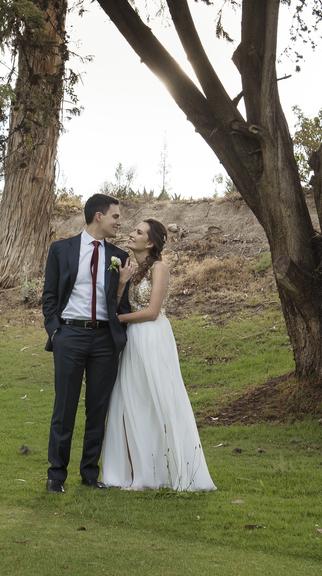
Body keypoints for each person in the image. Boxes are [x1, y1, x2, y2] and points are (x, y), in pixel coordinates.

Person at [100, 218, 216, 491]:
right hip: (133, 339)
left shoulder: (159, 268)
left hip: (152, 337)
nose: (131, 234)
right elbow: (121, 304)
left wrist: (115, 320)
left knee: (158, 398)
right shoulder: (132, 269)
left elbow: (152, 312)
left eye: (138, 232)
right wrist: (121, 285)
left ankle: (167, 470)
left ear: (150, 242)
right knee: (132, 400)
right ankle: (139, 472)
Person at [41, 193, 133, 493]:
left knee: (98, 409)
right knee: (64, 407)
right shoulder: (61, 249)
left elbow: (122, 303)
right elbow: (49, 296)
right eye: (115, 216)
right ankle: (56, 475)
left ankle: (90, 474)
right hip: (70, 336)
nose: (119, 222)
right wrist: (55, 332)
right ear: (98, 216)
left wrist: (119, 332)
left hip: (105, 339)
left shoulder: (120, 256)